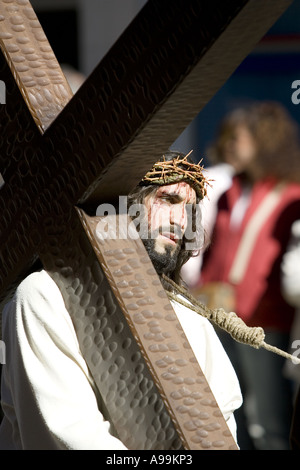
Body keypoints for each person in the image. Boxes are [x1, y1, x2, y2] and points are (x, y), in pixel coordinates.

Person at [0, 151, 242, 450]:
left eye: (190, 210)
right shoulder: (44, 295)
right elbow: (68, 433)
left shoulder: (185, 312)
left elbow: (221, 420)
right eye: (168, 199)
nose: (181, 221)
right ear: (125, 203)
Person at [197, 101, 300, 449]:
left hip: (265, 318)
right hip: (221, 313)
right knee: (229, 410)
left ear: (264, 140)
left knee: (271, 415)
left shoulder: (291, 194)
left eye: (238, 138)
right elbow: (215, 252)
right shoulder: (229, 190)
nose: (229, 145)